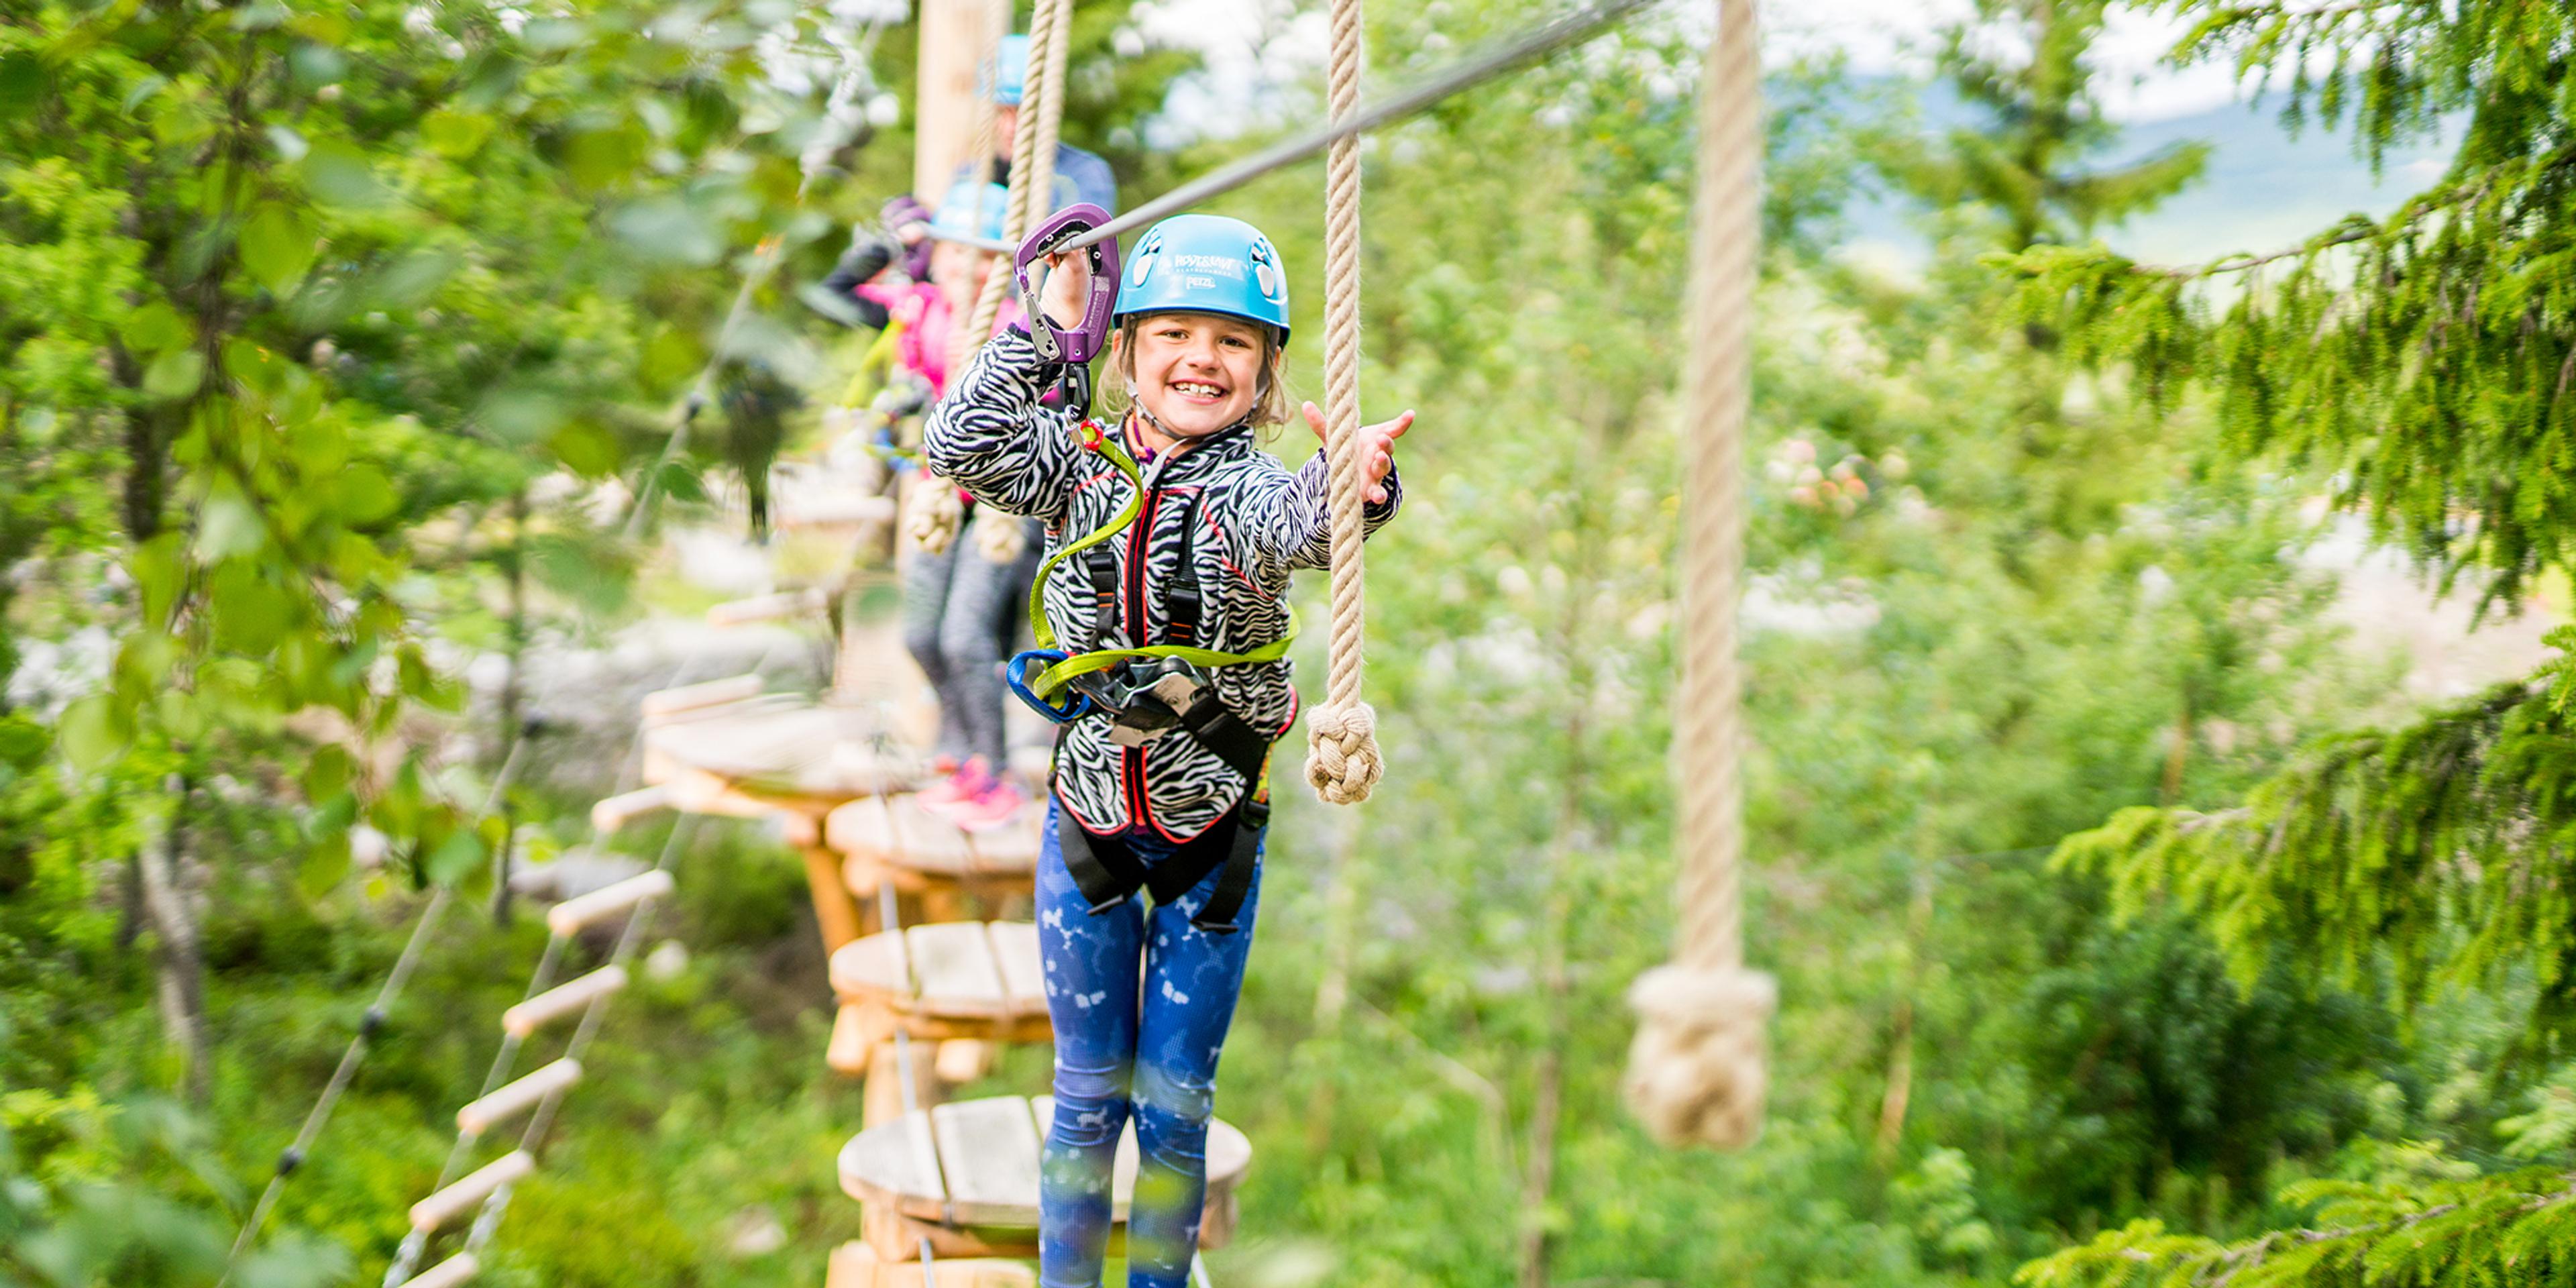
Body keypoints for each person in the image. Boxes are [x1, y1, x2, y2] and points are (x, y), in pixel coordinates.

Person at [924, 215, 1415, 1287]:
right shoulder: (1077, 473)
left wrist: (1357, 484)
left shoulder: (1250, 494)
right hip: (1090, 828)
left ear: (1266, 369)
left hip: (1209, 846)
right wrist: (1045, 331)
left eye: (1233, 342)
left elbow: (1308, 528)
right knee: (1085, 1101)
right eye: (1176, 335)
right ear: (1130, 350)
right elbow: (958, 444)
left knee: (1176, 1115)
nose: (1203, 358)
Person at [822, 179, 1039, 828]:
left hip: (1001, 506)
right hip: (939, 498)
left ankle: (995, 773)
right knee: (920, 634)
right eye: (954, 253)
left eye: (983, 257)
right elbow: (835, 295)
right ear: (938, 256)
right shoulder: (917, 308)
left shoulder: (1020, 326)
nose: (967, 268)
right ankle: (960, 752)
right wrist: (897, 244)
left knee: (967, 637)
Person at [965, 33, 1118, 215]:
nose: (1011, 128)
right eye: (1000, 112)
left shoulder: (1083, 176)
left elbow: (1088, 240)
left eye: (1024, 112)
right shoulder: (968, 176)